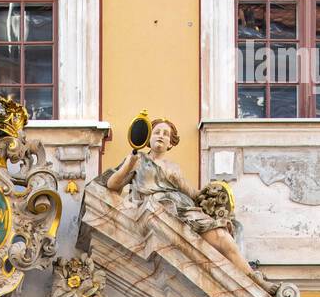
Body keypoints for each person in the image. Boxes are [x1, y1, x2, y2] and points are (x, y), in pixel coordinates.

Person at [107, 118, 256, 278]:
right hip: (158, 210)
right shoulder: (138, 160)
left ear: (170, 143)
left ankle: (255, 281)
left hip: (184, 210)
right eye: (157, 132)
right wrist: (128, 165)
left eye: (166, 134)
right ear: (149, 139)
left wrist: (216, 194)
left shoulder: (174, 167)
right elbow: (112, 185)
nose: (161, 136)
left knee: (222, 236)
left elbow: (193, 194)